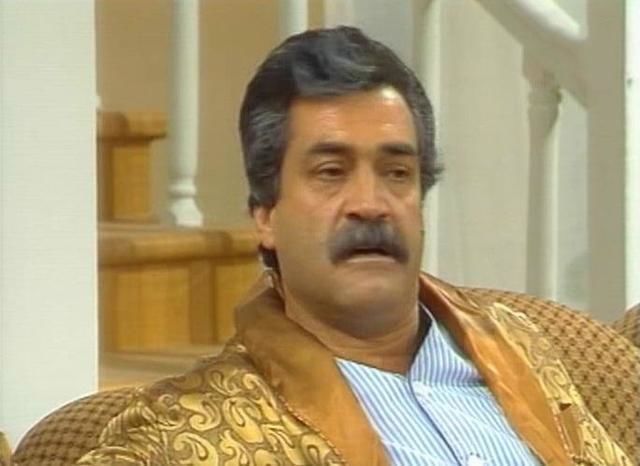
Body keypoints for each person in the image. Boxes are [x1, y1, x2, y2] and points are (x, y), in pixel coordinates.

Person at [73, 27, 632, 465]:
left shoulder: (520, 349)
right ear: (265, 216)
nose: (371, 203)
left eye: (396, 172)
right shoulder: (189, 432)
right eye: (331, 172)